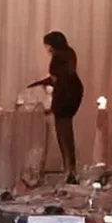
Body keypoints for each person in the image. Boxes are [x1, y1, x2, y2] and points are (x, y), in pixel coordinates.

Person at [28, 31, 84, 184]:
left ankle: (69, 169)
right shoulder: (69, 53)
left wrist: (48, 85)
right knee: (67, 131)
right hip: (73, 93)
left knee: (62, 132)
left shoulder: (59, 56)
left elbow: (59, 78)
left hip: (65, 94)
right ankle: (71, 168)